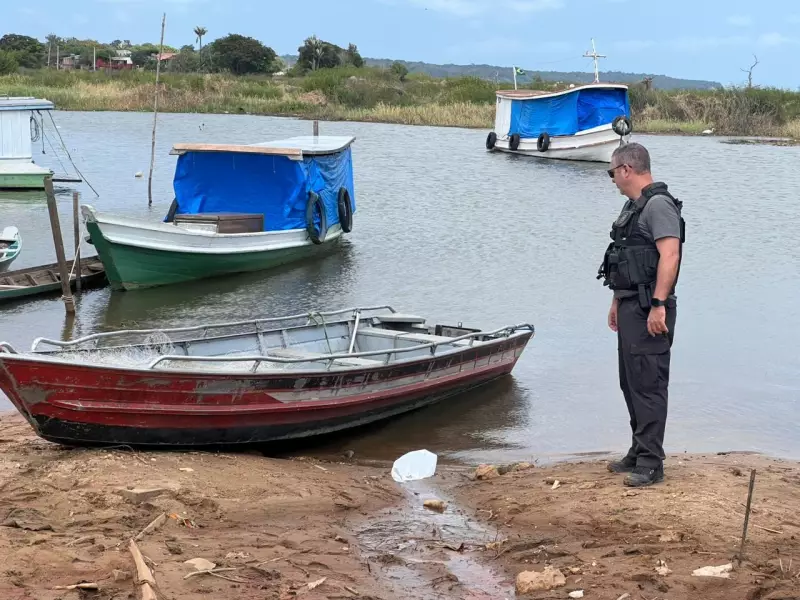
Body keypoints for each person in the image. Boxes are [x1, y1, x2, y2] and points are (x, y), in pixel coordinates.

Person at [597, 142, 685, 487]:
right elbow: (626, 258)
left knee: (648, 384)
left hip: (652, 308)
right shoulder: (635, 207)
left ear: (626, 170)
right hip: (633, 304)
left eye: (612, 173)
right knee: (630, 381)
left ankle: (651, 463)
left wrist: (658, 304)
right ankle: (638, 449)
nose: (613, 180)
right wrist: (618, 302)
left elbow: (670, 256)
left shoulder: (658, 207)